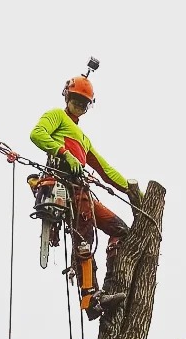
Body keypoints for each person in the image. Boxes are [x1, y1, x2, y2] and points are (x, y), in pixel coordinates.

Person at [29, 73, 131, 317]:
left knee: (120, 230)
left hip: (81, 190)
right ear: (67, 96)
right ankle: (90, 298)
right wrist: (64, 153)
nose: (79, 105)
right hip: (64, 185)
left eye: (84, 102)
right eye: (76, 99)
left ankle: (110, 285)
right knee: (84, 238)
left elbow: (106, 170)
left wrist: (132, 190)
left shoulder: (84, 139)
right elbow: (37, 134)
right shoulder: (57, 115)